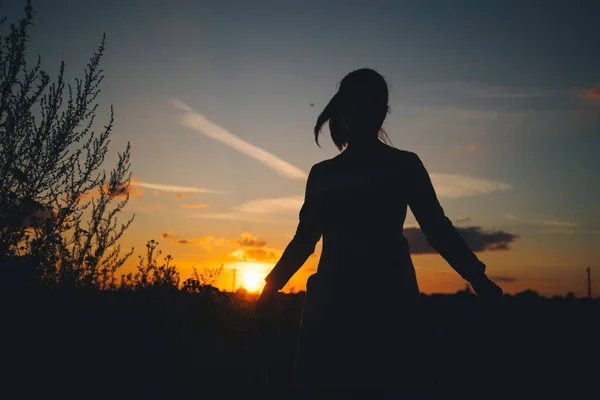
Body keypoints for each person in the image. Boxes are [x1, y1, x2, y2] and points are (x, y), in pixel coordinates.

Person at [256, 68, 503, 394]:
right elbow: (304, 241)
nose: (362, 112)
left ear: (382, 112)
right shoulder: (333, 173)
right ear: (343, 110)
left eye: (370, 104)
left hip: (381, 307)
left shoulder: (400, 166)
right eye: (357, 103)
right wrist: (270, 289)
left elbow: (436, 228)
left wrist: (478, 277)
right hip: (345, 307)